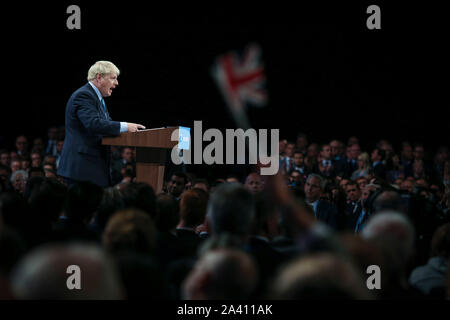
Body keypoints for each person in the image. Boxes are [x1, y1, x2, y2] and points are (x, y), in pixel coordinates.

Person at [57, 61, 145, 187]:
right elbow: (93, 124)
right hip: (82, 169)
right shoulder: (84, 95)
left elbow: (105, 125)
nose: (116, 83)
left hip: (90, 167)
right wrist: (125, 126)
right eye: (113, 78)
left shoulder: (97, 98)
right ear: (99, 77)